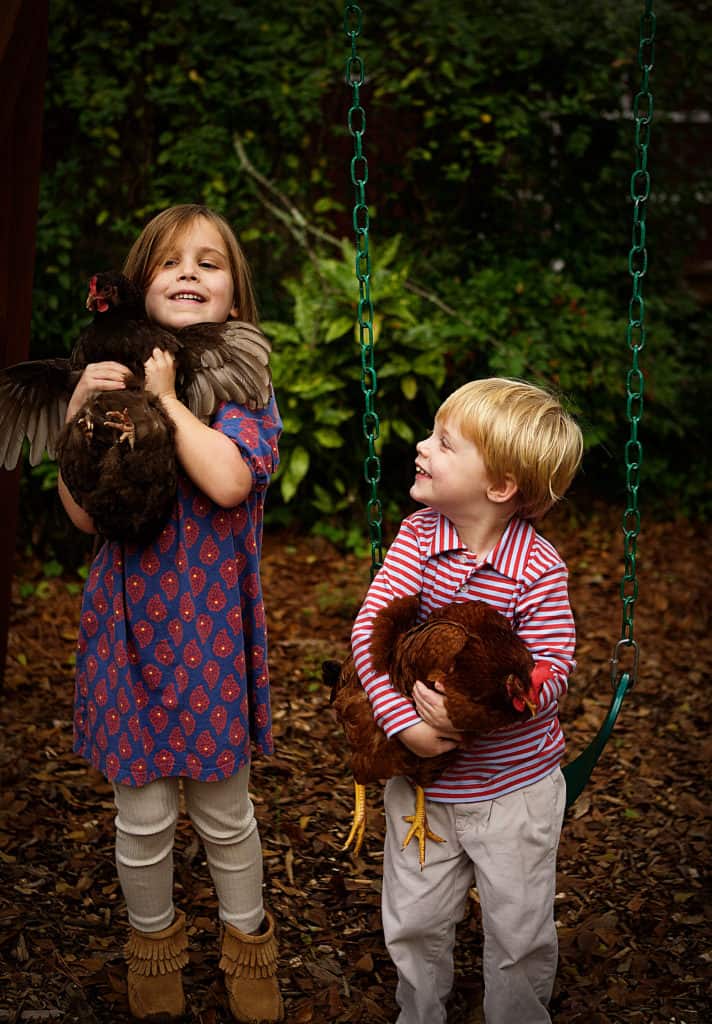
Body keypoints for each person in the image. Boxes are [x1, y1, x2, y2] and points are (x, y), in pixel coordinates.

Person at [58, 204, 284, 1023]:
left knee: (225, 813)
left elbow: (228, 481)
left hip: (210, 632)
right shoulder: (109, 381)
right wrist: (81, 411)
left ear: (235, 292)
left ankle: (246, 936)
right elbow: (83, 515)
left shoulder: (242, 387)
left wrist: (168, 400)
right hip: (125, 632)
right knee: (144, 816)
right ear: (139, 285)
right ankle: (151, 943)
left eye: (210, 262)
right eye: (170, 263)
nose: (189, 273)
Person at [351, 378, 584, 1024]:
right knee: (415, 918)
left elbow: (553, 668)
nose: (422, 447)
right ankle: (419, 1012)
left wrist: (490, 705)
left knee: (518, 929)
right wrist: (407, 727)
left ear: (501, 486)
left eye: (444, 442)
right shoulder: (417, 538)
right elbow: (370, 633)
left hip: (515, 792)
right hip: (426, 785)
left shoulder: (537, 569)